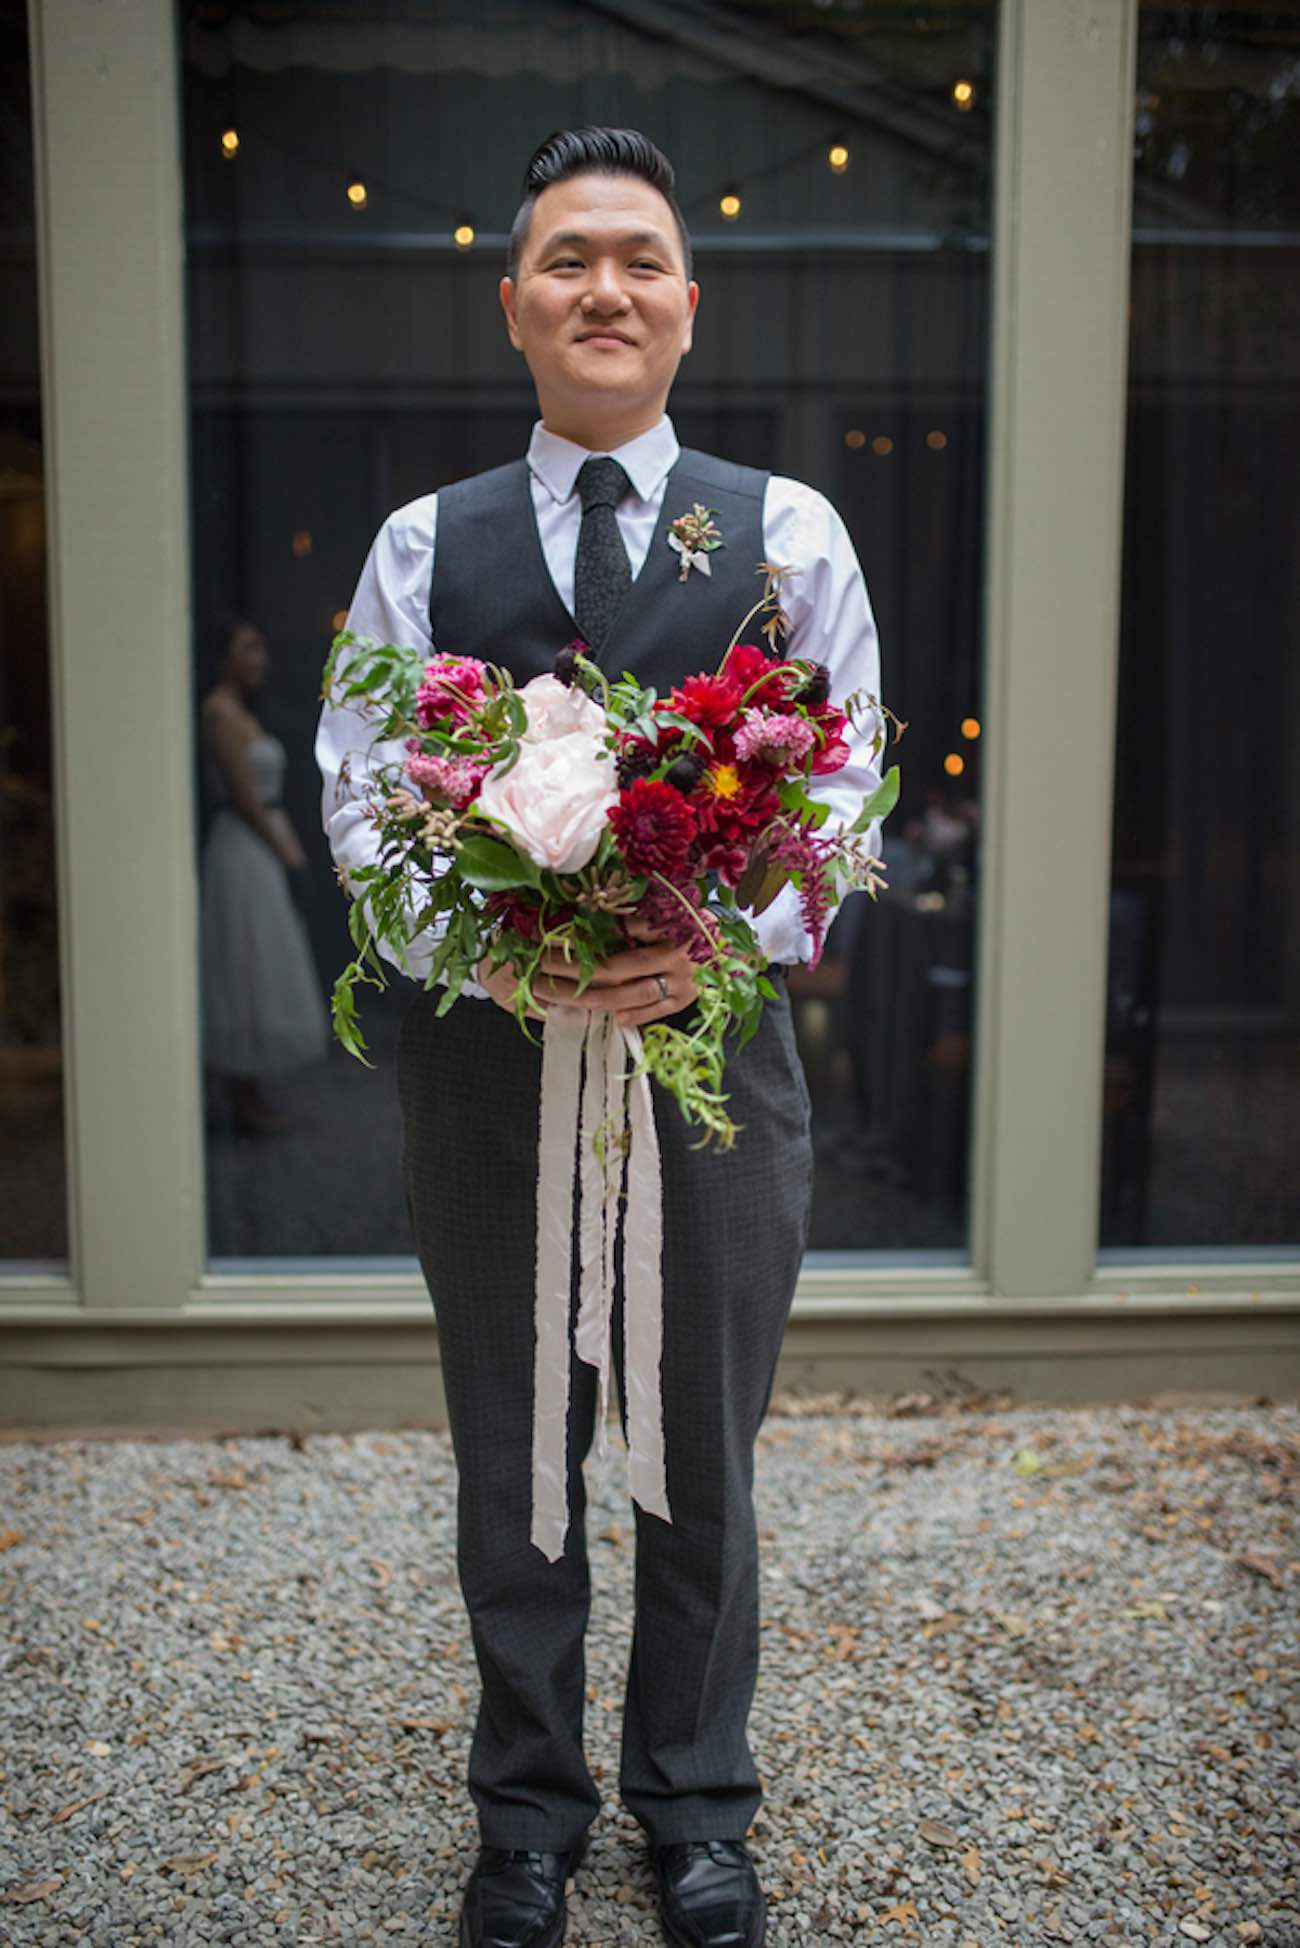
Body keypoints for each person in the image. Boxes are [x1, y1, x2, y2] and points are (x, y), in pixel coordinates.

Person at [315, 127, 885, 1948]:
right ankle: (525, 1815)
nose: (605, 288)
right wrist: (501, 960)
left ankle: (698, 1809)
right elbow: (356, 802)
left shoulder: (783, 529)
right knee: (517, 1452)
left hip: (714, 1080)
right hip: (491, 1081)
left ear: (687, 305)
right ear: (514, 304)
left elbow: (847, 794)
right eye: (568, 259)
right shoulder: (426, 546)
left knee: (702, 1451)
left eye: (638, 258)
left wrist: (719, 934)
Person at [200, 616, 327, 1136]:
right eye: (248, 647)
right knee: (244, 958)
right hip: (244, 847)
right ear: (225, 653)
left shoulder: (241, 712)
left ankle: (250, 1091)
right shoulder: (219, 712)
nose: (260, 659)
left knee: (259, 958)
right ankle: (240, 1092)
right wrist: (287, 851)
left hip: (262, 843)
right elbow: (247, 798)